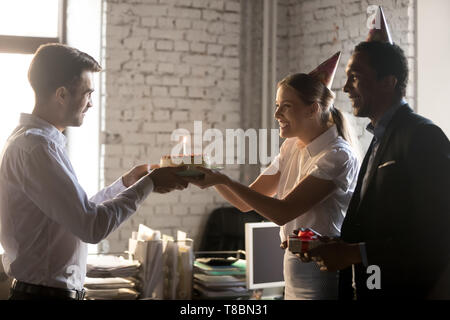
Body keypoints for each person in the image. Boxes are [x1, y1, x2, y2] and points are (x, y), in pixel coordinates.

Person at [0, 43, 188, 300]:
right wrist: (151, 183)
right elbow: (92, 227)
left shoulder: (37, 143)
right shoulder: (37, 148)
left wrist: (125, 184)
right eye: (88, 93)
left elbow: (77, 216)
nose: (90, 104)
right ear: (62, 95)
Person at [185, 53, 360, 300]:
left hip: (323, 273)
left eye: (286, 107)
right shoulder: (290, 146)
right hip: (293, 268)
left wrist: (224, 180)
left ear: (313, 109)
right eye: (277, 106)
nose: (277, 114)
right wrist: (213, 178)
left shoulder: (337, 156)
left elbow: (283, 212)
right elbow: (244, 203)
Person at [307, 26, 450, 298]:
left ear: (388, 81)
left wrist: (353, 252)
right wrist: (339, 243)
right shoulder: (378, 137)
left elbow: (438, 231)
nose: (346, 87)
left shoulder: (422, 136)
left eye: (355, 77)